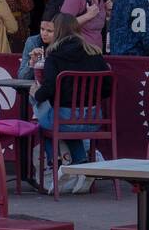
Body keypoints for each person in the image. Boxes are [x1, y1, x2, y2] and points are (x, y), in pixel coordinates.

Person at [33, 13, 110, 195]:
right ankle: (82, 166)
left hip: (66, 118)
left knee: (41, 120)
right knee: (64, 124)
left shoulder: (55, 56)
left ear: (57, 31)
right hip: (93, 117)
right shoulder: (94, 53)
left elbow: (49, 88)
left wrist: (36, 93)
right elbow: (107, 88)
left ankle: (58, 165)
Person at [18, 12, 56, 82]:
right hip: (35, 88)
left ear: (58, 31)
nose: (44, 33)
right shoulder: (32, 42)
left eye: (49, 31)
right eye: (42, 29)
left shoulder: (64, 44)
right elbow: (21, 77)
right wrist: (32, 62)